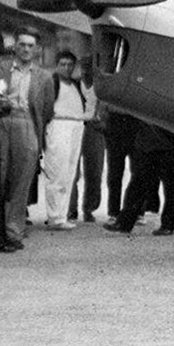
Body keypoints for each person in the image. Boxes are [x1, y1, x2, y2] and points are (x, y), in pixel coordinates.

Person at [0, 29, 55, 251]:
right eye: (22, 45)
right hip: (3, 121)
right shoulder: (2, 69)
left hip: (28, 124)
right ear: (15, 47)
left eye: (30, 45)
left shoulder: (44, 76)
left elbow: (47, 110)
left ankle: (13, 231)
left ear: (36, 49)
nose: (26, 49)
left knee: (22, 180)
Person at [103, 121, 174, 236]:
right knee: (138, 184)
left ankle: (168, 225)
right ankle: (124, 223)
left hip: (168, 143)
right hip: (149, 143)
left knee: (171, 186)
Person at [38, 50, 86, 230]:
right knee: (57, 172)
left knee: (69, 173)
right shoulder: (53, 82)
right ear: (57, 65)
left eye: (70, 65)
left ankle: (62, 214)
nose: (66, 68)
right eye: (63, 64)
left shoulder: (75, 84)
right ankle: (54, 217)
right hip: (58, 126)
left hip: (76, 126)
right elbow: (46, 108)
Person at [67, 57, 104, 223]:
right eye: (84, 68)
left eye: (90, 68)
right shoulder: (73, 84)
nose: (87, 71)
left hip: (94, 129)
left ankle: (89, 208)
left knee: (94, 170)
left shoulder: (102, 87)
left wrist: (102, 119)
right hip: (76, 126)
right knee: (72, 169)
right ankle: (71, 208)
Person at [102, 108, 138, 223]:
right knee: (114, 173)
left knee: (138, 171)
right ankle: (114, 212)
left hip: (134, 122)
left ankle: (136, 211)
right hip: (115, 122)